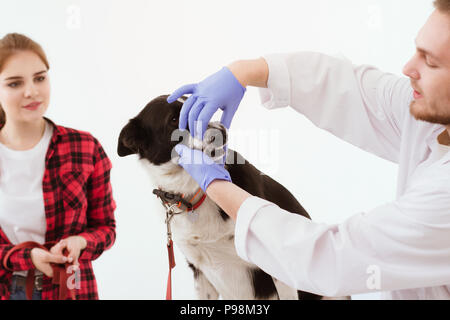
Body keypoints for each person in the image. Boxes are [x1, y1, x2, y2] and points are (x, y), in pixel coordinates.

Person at [167, 1, 450, 299]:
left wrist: (216, 186)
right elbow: (355, 91)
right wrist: (243, 72)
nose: (408, 68)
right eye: (417, 50)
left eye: (430, 62)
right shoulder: (434, 119)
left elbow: (332, 259)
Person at [0, 33, 116, 300]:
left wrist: (82, 242)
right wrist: (26, 257)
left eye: (40, 78)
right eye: (15, 83)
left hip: (74, 290)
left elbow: (106, 227)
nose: (32, 91)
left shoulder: (85, 147)